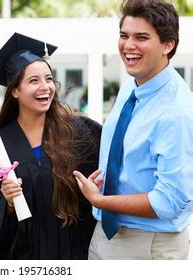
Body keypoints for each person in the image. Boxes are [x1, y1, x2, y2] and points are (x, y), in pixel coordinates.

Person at [73, 0, 193, 260]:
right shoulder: (132, 87)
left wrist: (101, 200)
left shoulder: (177, 112)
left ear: (168, 45)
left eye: (141, 37)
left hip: (147, 246)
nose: (128, 46)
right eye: (124, 36)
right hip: (106, 233)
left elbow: (169, 201)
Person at [0, 33, 101, 259]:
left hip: (77, 254)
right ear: (14, 90)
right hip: (27, 259)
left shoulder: (80, 132)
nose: (45, 87)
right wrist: (9, 204)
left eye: (49, 79)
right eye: (34, 81)